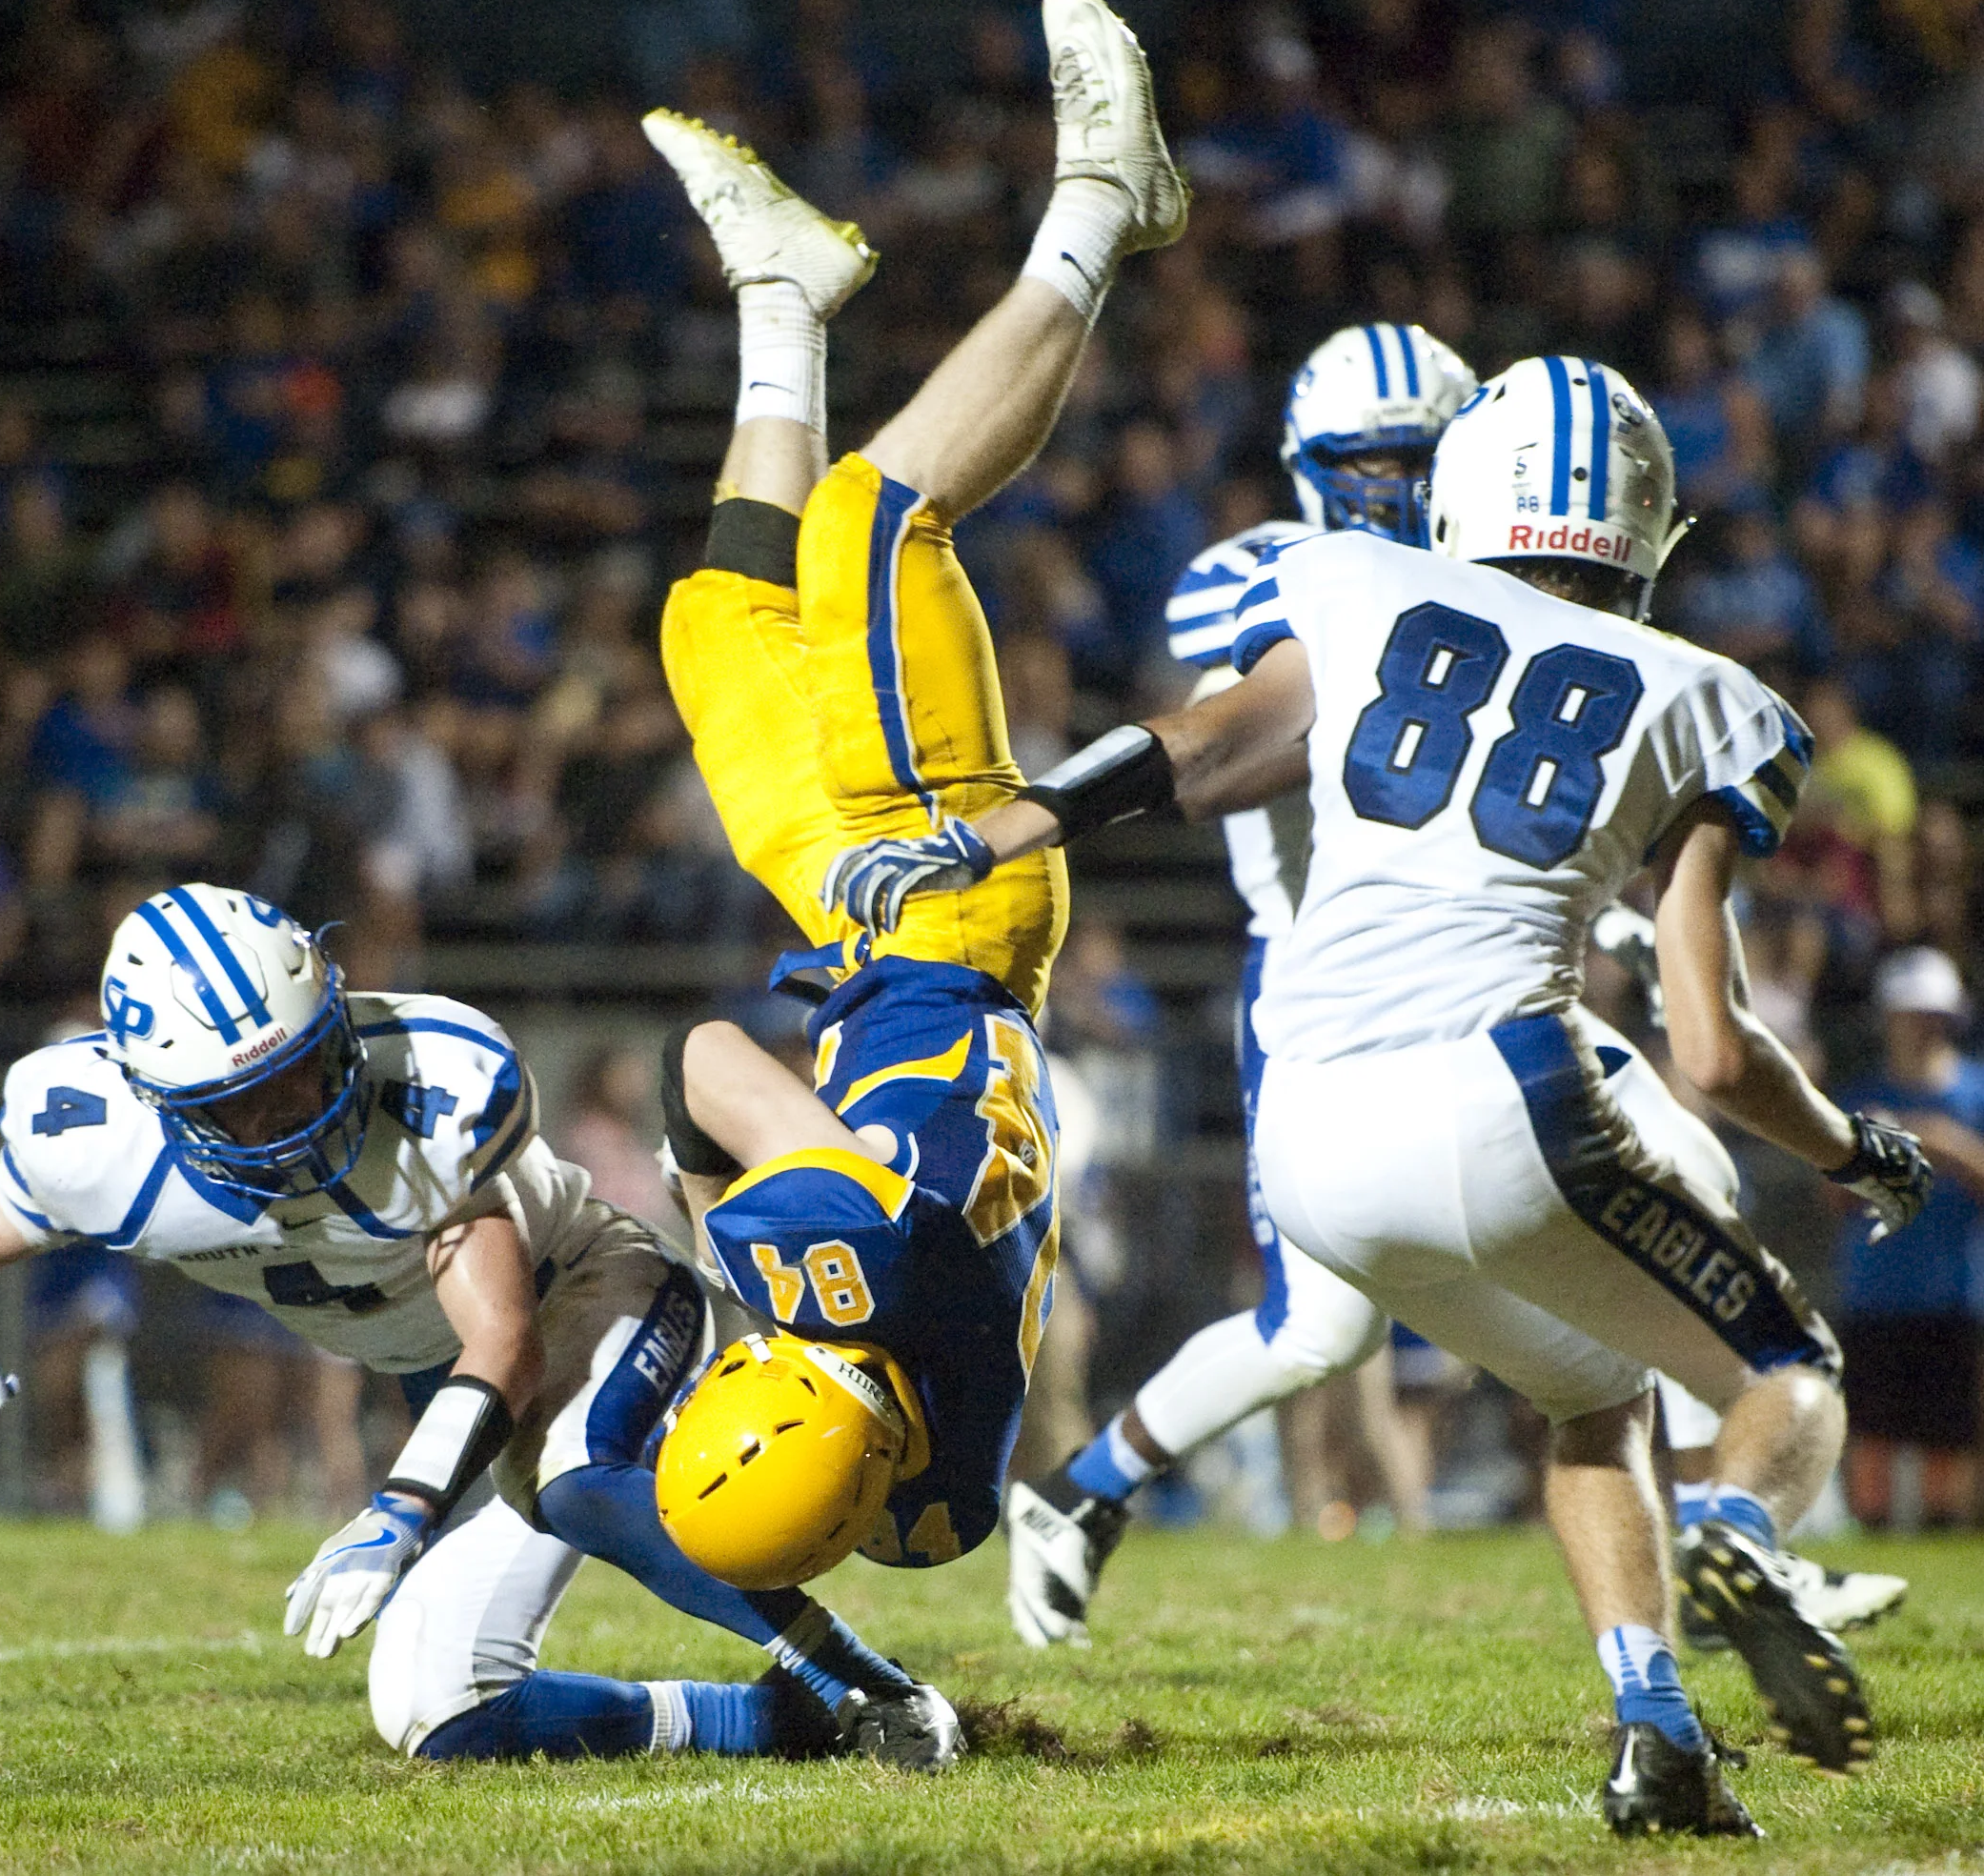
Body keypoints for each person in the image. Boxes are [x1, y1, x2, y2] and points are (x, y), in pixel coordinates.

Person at [828, 353, 1934, 1836]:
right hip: (1500, 1096)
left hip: (1306, 1128)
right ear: (1646, 525)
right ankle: (1737, 1531)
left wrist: (993, 833)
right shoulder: (1712, 699)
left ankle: (1657, 1735)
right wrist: (1854, 1149)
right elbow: (1715, 1048)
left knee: (1588, 1392)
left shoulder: (1349, 584)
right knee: (1783, 1369)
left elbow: (1198, 744)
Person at [0, 885, 955, 1768]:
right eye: (243, 1103)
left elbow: (506, 1340)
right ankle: (781, 1721)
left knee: (571, 1474)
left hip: (587, 1291)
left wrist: (396, 1508)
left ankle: (869, 1684)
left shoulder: (436, 1085)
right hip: (454, 1399)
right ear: (156, 1098)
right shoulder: (93, 1146)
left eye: (302, 1069)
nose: (293, 1116)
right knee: (438, 1709)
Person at [639, 0, 1184, 1592]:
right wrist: (715, 1240)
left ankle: (783, 296)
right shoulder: (854, 1260)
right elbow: (698, 1061)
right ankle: (1102, 205)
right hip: (945, 910)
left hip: (860, 946)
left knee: (713, 624)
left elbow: (863, 1522)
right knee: (871, 520)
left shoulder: (931, 1504)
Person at [1004, 321, 1476, 1646]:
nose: (1391, 483)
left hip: (1471, 973)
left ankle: (1729, 1518)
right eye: (1364, 458)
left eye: (1416, 456)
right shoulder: (1268, 583)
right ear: (1310, 464)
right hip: (1324, 995)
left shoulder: (1487, 584)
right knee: (1316, 1330)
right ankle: (1084, 1490)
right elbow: (1231, 748)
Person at [1833, 946, 1984, 1526]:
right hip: (1875, 1295)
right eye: (1910, 1014)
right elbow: (1832, 1199)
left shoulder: (1973, 1094)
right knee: (1872, 1434)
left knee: (1948, 1439)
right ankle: (1873, 1535)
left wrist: (1942, 1142)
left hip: (1953, 1296)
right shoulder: (1859, 1100)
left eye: (1932, 1015)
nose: (1922, 1027)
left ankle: (1942, 1530)